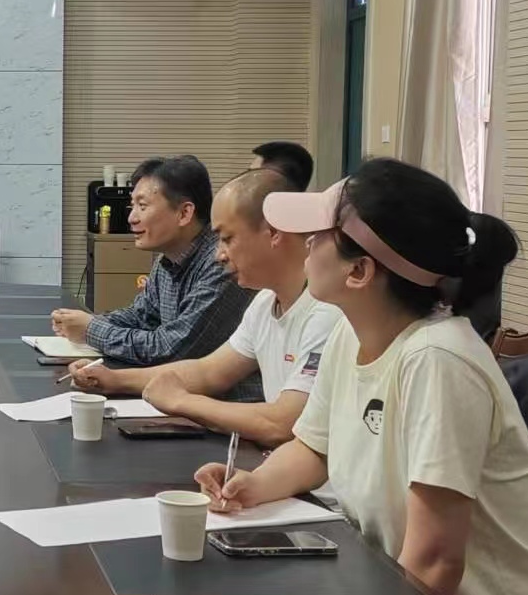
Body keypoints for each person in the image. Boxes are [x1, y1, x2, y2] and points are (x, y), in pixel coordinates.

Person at [195, 158, 528, 595]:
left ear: (359, 272)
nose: (305, 244)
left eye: (318, 236)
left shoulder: (438, 361)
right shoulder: (351, 333)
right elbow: (313, 447)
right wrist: (251, 486)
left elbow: (435, 560)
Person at [69, 167, 342, 447]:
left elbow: (281, 425)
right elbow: (208, 372)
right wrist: (114, 380)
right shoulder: (264, 303)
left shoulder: (327, 312)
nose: (219, 254)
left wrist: (182, 401)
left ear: (273, 233)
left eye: (227, 239)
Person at [50, 155, 254, 385]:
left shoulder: (221, 263)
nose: (131, 218)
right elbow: (142, 316)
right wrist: (86, 322)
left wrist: (91, 329)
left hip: (225, 400)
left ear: (184, 213)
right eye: (132, 206)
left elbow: (171, 349)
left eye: (142, 206)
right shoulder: (167, 257)